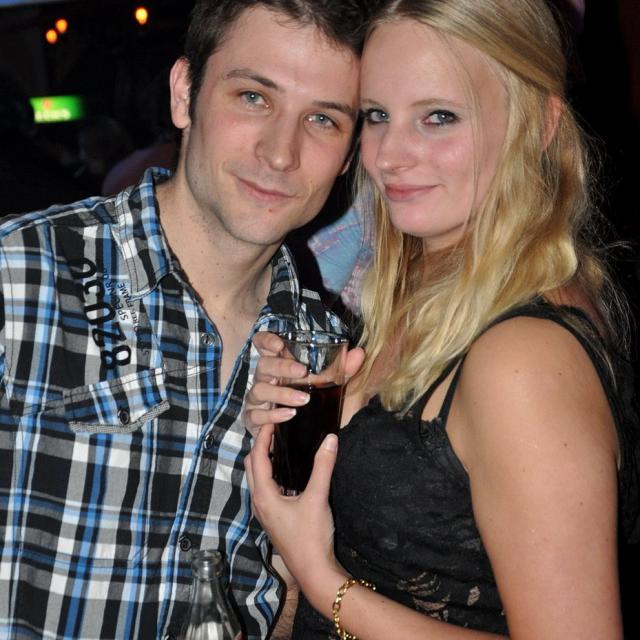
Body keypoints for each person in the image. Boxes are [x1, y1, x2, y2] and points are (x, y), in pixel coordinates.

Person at [245, 0, 640, 638]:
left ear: (539, 124)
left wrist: (323, 579)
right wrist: (301, 431)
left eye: (439, 117)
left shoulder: (524, 357)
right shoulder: (428, 299)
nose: (389, 156)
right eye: (377, 115)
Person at [0, 1, 369, 638]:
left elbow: (281, 593)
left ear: (347, 155)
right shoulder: (21, 273)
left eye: (322, 119)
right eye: (253, 97)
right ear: (184, 94)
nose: (281, 153)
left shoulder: (328, 359)